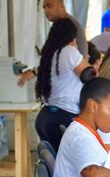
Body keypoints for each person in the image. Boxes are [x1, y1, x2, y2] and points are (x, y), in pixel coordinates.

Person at [34, 18, 91, 151]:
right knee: (67, 163)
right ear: (72, 35)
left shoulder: (50, 54)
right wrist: (85, 61)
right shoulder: (69, 51)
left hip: (45, 117)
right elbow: (88, 74)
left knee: (54, 164)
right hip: (64, 116)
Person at [18, 0, 88, 86]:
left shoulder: (67, 26)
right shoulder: (62, 25)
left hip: (70, 85)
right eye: (44, 7)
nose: (46, 10)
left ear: (62, 6)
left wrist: (34, 72)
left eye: (49, 6)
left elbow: (54, 58)